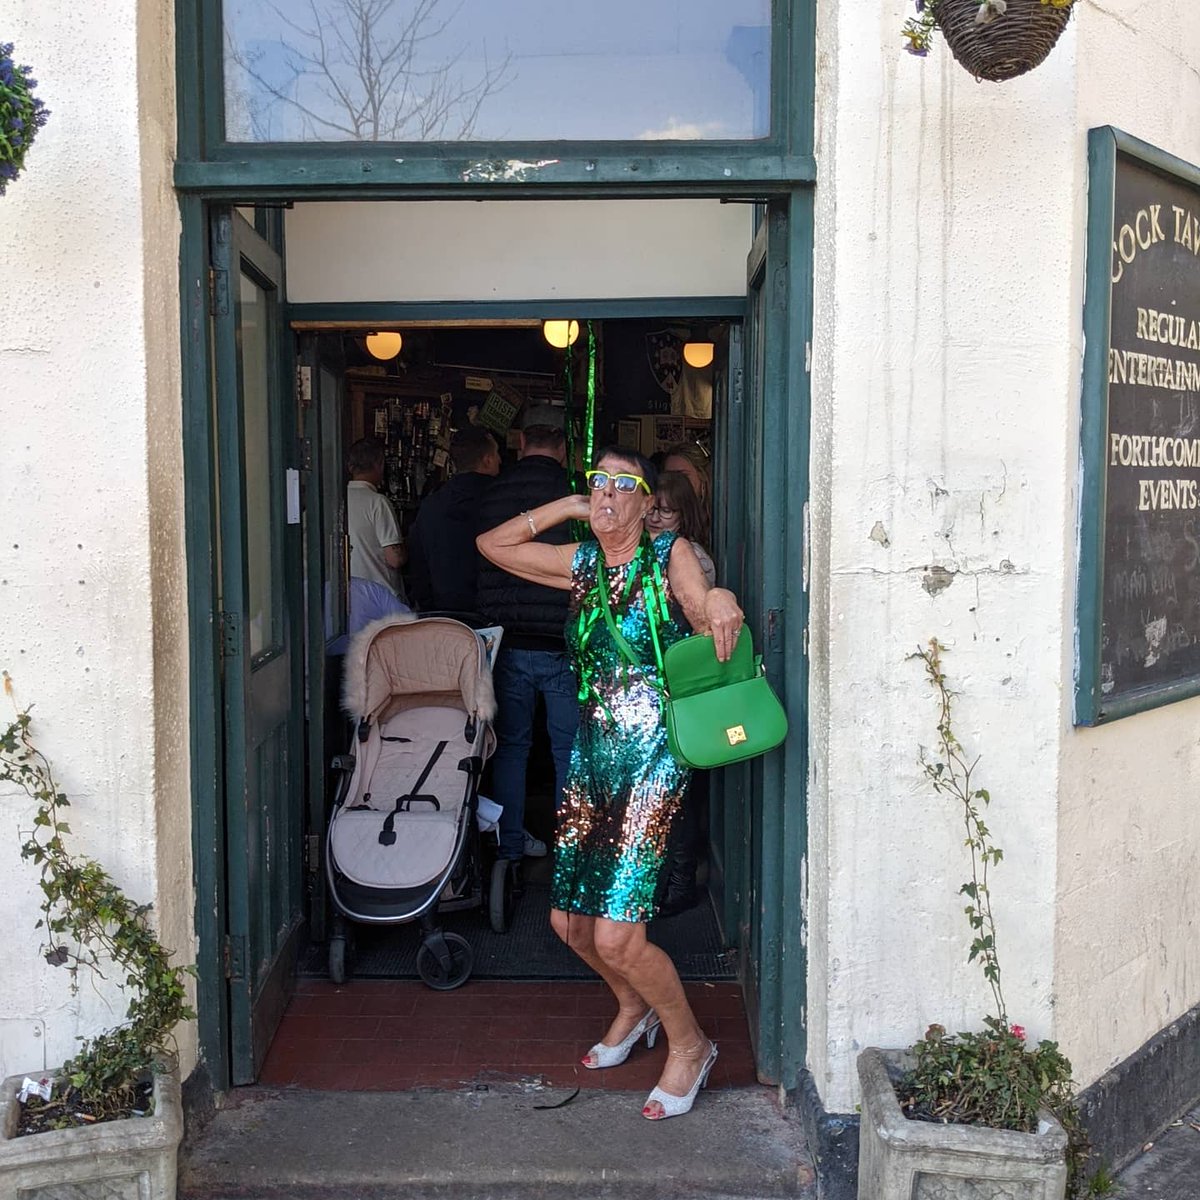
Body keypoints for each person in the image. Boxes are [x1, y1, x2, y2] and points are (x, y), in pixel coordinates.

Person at [477, 448, 744, 1121]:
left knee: (618, 936)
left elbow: (700, 599)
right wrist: (567, 506)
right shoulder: (583, 564)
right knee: (569, 922)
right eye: (595, 484)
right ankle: (633, 1005)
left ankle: (690, 1044)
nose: (604, 495)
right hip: (594, 759)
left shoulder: (666, 552)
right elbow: (492, 544)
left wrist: (720, 598)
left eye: (620, 486)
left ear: (645, 502)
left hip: (653, 759)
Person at [476, 406, 579, 863]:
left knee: (510, 749)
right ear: (563, 446)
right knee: (568, 752)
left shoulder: (492, 493)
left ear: (520, 443)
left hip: (508, 642)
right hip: (561, 643)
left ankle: (508, 850)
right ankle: (569, 853)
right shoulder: (574, 497)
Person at [407, 424, 501, 612]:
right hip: (494, 616)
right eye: (497, 454)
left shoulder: (431, 505)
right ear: (488, 460)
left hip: (443, 615)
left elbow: (418, 566)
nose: (500, 460)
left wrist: (430, 610)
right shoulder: (503, 500)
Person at [346, 437, 408, 603]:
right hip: (380, 596)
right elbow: (394, 559)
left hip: (349, 594)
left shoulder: (336, 500)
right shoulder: (378, 502)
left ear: (350, 467)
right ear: (380, 465)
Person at [646, 471, 716, 587]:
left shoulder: (695, 556)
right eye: (651, 509)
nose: (654, 518)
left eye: (666, 511)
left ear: (684, 514)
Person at [662, 441, 712, 545]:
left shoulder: (719, 520)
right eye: (668, 477)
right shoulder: (657, 518)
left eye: (683, 476)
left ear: (702, 476)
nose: (674, 484)